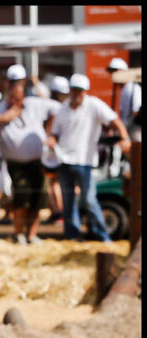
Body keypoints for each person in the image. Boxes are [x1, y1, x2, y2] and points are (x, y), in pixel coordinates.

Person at [0, 65, 60, 245]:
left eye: (19, 95)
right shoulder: (0, 108)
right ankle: (19, 233)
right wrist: (3, 119)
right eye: (12, 95)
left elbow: (58, 109)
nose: (15, 99)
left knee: (39, 197)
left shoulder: (34, 104)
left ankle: (32, 234)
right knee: (22, 195)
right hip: (16, 162)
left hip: (38, 160)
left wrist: (50, 133)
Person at [47, 73, 132, 242]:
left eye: (80, 90)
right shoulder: (63, 108)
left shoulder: (94, 104)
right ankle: (73, 235)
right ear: (70, 90)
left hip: (84, 161)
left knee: (89, 199)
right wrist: (51, 141)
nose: (77, 93)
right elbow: (54, 133)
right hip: (64, 160)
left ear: (85, 91)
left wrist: (125, 138)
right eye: (74, 90)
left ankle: (102, 234)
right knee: (68, 200)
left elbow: (115, 120)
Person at [41, 76, 70, 224]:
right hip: (64, 150)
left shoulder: (54, 107)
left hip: (53, 150)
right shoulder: (67, 106)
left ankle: (58, 213)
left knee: (53, 183)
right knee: (58, 182)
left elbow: (50, 129)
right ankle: (59, 213)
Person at [108, 57, 141, 141]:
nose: (112, 74)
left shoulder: (133, 88)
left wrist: (125, 128)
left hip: (133, 131)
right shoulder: (123, 89)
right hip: (125, 131)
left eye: (115, 71)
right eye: (111, 71)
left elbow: (136, 111)